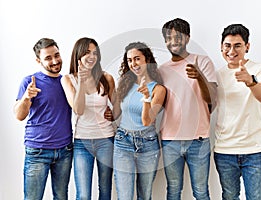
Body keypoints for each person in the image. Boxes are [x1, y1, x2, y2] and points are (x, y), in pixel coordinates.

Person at [159, 18, 217, 200]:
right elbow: (160, 104)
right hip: (170, 140)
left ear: (188, 38)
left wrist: (199, 78)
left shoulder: (202, 61)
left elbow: (212, 100)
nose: (173, 41)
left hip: (198, 140)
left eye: (178, 36)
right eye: (169, 37)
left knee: (201, 191)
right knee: (173, 190)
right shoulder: (162, 70)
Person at [214, 24, 261, 199]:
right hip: (225, 151)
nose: (231, 50)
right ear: (221, 47)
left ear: (247, 46)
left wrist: (250, 81)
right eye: (227, 45)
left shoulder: (259, 69)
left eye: (237, 45)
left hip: (256, 151)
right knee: (229, 196)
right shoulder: (217, 75)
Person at [14, 38, 73, 200]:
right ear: (38, 60)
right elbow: (19, 115)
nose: (55, 61)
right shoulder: (30, 82)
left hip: (65, 150)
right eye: (48, 58)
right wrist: (26, 97)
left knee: (61, 196)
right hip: (37, 151)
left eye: (57, 55)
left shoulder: (67, 81)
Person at [60, 37, 115, 200]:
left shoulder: (107, 78)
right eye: (87, 52)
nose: (92, 56)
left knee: (105, 191)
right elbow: (78, 109)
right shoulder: (68, 79)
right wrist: (82, 83)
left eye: (95, 53)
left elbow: (118, 109)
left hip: (106, 139)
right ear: (78, 54)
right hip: (82, 142)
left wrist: (113, 112)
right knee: (83, 195)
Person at [112, 42, 166, 200]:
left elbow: (147, 120)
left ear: (147, 59)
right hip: (123, 141)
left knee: (145, 195)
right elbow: (117, 112)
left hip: (147, 143)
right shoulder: (125, 84)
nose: (133, 64)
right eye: (129, 60)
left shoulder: (158, 89)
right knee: (125, 196)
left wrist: (146, 98)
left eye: (137, 59)